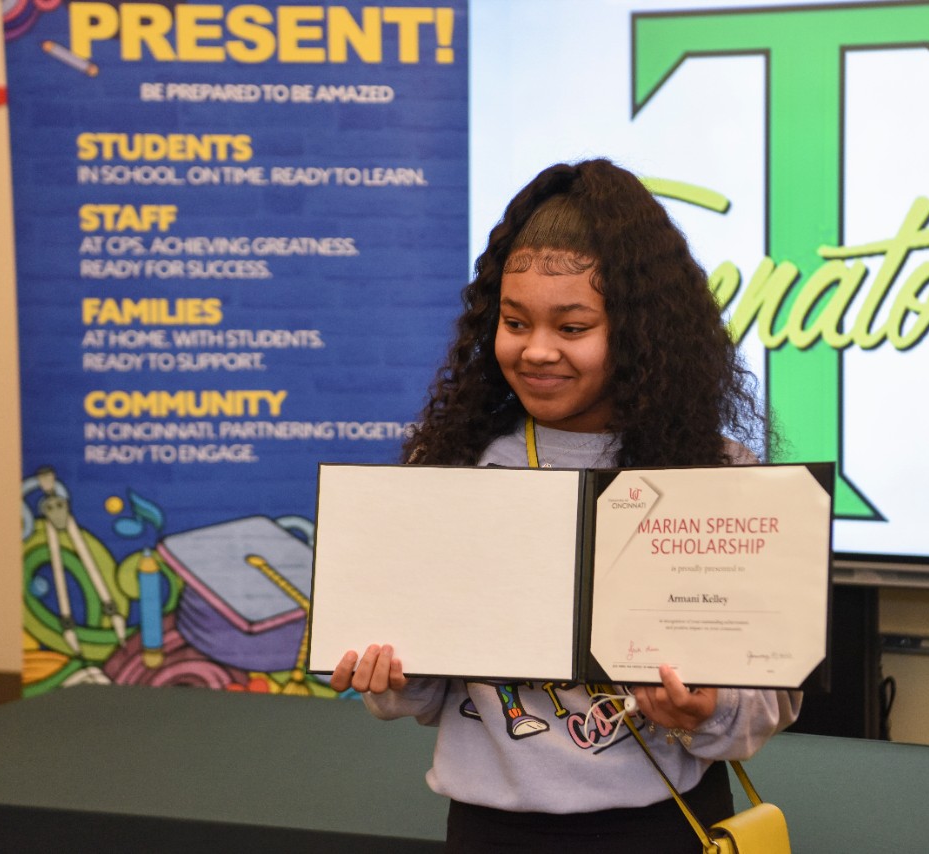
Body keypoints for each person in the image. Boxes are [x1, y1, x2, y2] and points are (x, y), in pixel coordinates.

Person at [329, 158, 801, 852]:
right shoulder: (454, 471)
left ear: (640, 335)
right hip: (491, 831)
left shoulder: (719, 475)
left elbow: (772, 698)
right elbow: (420, 696)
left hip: (667, 828)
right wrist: (391, 672)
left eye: (572, 327)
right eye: (515, 322)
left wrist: (710, 706)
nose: (537, 350)